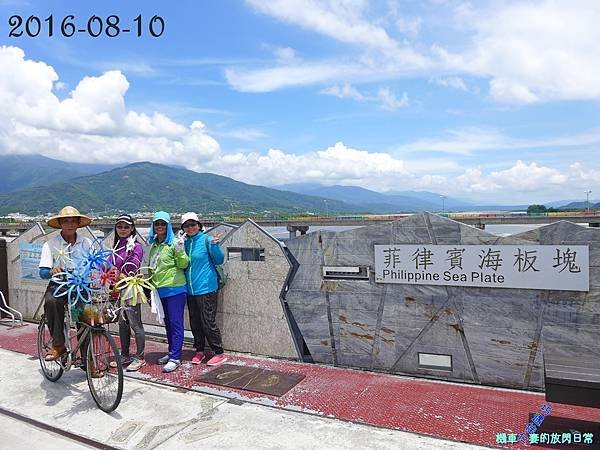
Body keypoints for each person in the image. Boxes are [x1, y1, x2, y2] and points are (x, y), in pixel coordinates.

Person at [38, 206, 92, 361]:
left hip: (80, 286)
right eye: (66, 221)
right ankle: (58, 345)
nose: (70, 224)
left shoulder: (86, 242)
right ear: (60, 224)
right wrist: (51, 271)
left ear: (78, 223)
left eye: (73, 221)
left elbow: (97, 263)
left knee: (85, 319)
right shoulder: (50, 244)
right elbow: (42, 272)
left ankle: (88, 362)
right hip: (59, 286)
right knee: (52, 302)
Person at [181, 212, 227, 366]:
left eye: (193, 224)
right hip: (190, 290)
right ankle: (199, 351)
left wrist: (215, 246)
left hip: (207, 288)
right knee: (195, 322)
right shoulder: (184, 243)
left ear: (199, 225)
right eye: (187, 225)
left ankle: (218, 352)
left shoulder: (207, 240)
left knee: (208, 322)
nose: (190, 227)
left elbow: (219, 259)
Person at [147, 211, 189, 373]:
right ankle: (171, 352)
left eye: (163, 223)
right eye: (157, 224)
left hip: (175, 289)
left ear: (168, 225)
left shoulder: (174, 243)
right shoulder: (154, 245)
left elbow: (184, 264)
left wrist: (180, 249)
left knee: (176, 323)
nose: (159, 226)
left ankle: (175, 358)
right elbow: (152, 269)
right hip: (159, 290)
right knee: (168, 324)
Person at [108, 214, 146, 372]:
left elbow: (133, 266)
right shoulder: (116, 246)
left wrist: (121, 273)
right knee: (122, 323)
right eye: (119, 226)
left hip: (130, 288)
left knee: (135, 323)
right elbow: (108, 265)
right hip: (117, 290)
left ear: (132, 229)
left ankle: (140, 356)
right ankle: (124, 354)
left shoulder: (136, 246)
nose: (122, 229)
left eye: (126, 227)